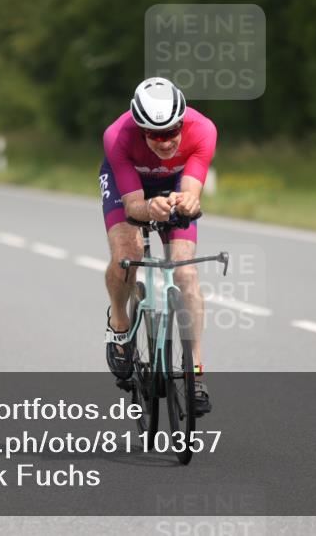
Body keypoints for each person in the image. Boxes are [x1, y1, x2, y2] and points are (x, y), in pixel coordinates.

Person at [99, 77, 217, 416]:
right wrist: (149, 208)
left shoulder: (203, 130)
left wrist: (188, 204)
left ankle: (194, 372)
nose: (165, 142)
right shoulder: (117, 136)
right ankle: (120, 326)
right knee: (127, 255)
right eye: (154, 134)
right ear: (140, 128)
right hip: (130, 184)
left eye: (172, 131)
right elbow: (134, 205)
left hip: (175, 180)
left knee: (186, 272)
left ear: (183, 120)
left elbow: (192, 194)